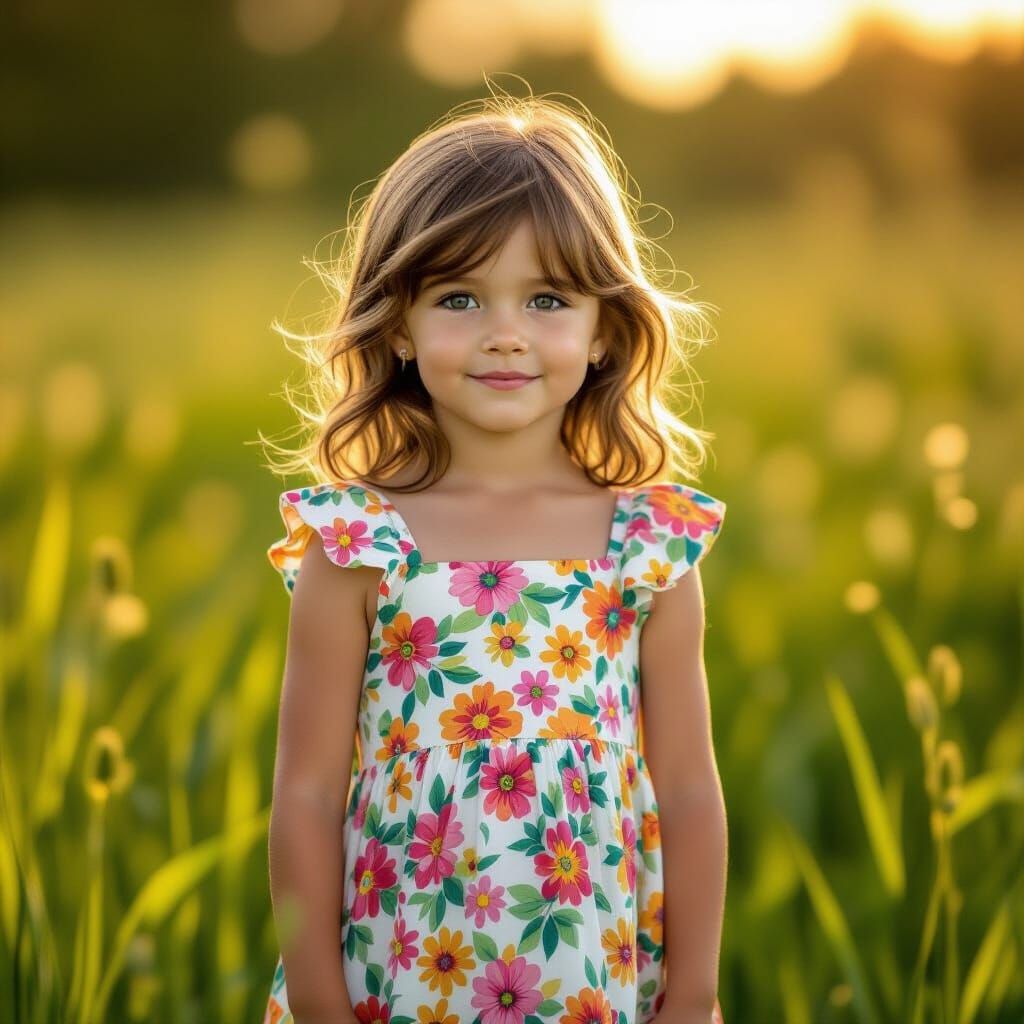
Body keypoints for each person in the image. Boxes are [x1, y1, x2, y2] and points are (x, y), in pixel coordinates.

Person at [261, 90, 728, 1024]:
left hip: (592, 982)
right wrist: (315, 995)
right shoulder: (359, 544)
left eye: (547, 299)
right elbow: (307, 793)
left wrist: (696, 989)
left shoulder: (647, 546)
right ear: (397, 321)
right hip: (394, 981)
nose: (505, 331)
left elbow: (686, 784)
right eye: (460, 298)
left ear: (603, 328)